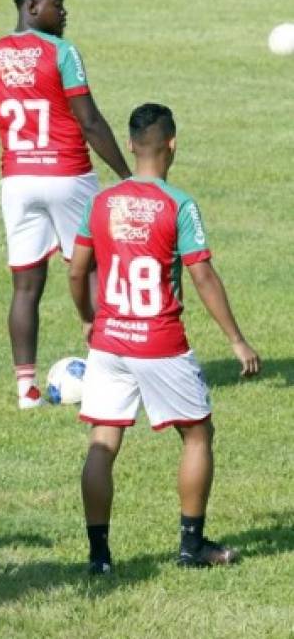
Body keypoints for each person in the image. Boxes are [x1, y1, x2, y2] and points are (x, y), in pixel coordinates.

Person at [68, 103, 261, 574]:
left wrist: (89, 318)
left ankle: (99, 556)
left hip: (110, 341)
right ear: (172, 143)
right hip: (160, 340)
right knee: (197, 434)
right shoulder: (178, 205)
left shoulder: (101, 203)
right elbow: (203, 276)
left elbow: (77, 270)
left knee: (103, 441)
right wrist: (236, 339)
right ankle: (191, 547)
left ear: (131, 145)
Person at [0, 0, 132, 409]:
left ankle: (26, 390)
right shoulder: (62, 53)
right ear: (31, 6)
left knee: (25, 287)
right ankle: (106, 376)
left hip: (17, 181)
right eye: (58, 2)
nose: (64, 9)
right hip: (68, 175)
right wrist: (129, 178)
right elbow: (90, 121)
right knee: (92, 271)